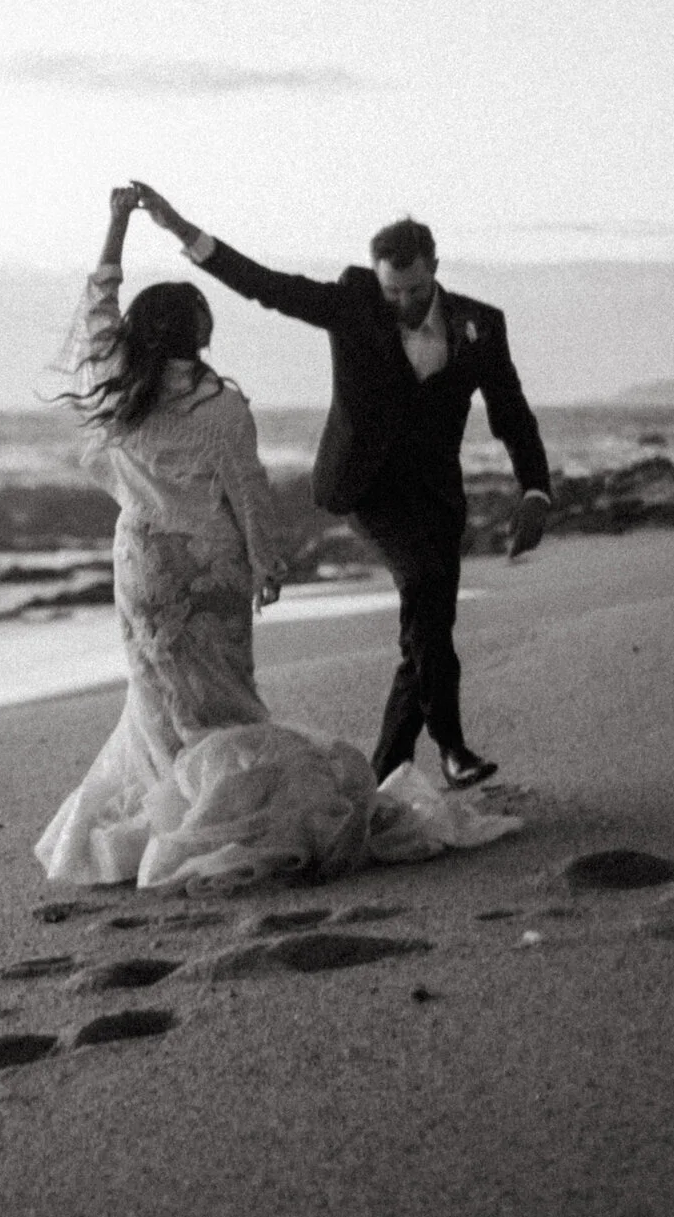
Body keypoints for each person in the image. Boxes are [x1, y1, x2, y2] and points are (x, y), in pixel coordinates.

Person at [33, 189, 518, 893]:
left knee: (158, 700)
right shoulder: (220, 406)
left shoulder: (117, 381)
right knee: (225, 702)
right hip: (210, 571)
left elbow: (98, 304)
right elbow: (247, 492)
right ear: (196, 338)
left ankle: (166, 809)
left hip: (139, 565)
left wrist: (115, 225)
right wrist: (266, 563)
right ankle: (223, 814)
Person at [131, 183, 553, 790]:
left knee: (427, 624)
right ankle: (452, 745)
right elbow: (268, 287)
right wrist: (182, 231)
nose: (403, 302)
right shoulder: (353, 303)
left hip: (436, 494)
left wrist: (534, 489)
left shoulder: (481, 324)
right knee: (427, 589)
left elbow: (511, 411)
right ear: (377, 279)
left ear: (434, 267)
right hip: (367, 488)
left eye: (414, 290)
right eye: (392, 291)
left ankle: (385, 774)